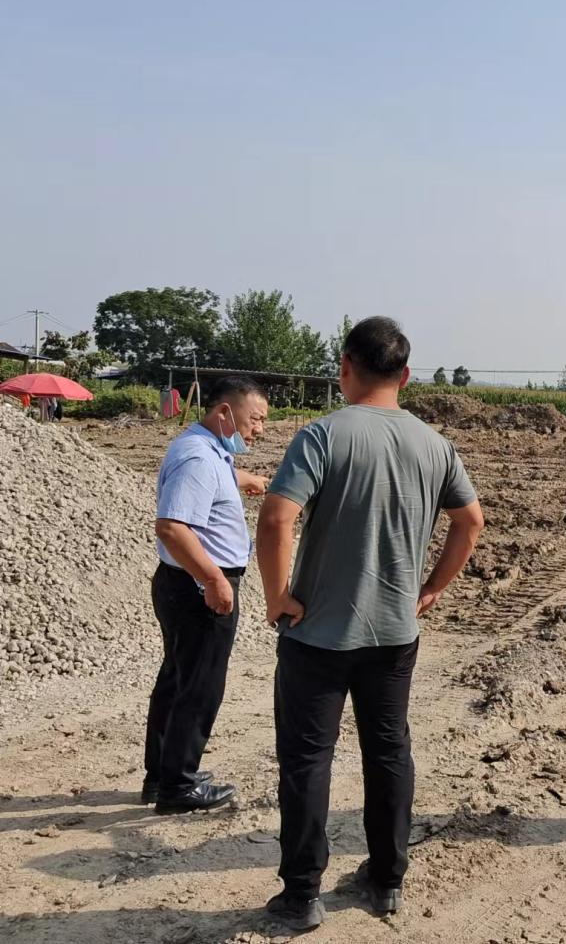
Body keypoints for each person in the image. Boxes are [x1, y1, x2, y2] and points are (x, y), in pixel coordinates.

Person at [257, 316, 485, 931]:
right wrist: (432, 588)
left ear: (345, 367)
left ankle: (302, 894)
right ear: (405, 376)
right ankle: (386, 879)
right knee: (388, 752)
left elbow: (277, 518)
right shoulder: (435, 445)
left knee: (308, 760)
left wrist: (278, 595)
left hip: (317, 634)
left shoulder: (322, 435)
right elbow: (471, 522)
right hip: (394, 633)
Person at [145, 375, 270, 813]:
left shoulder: (204, 450)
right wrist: (215, 580)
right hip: (199, 586)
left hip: (183, 582)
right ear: (224, 413)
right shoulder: (198, 457)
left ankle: (163, 775)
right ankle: (178, 786)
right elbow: (172, 527)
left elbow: (215, 478)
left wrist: (244, 478)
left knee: (179, 677)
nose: (259, 429)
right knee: (199, 684)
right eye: (255, 419)